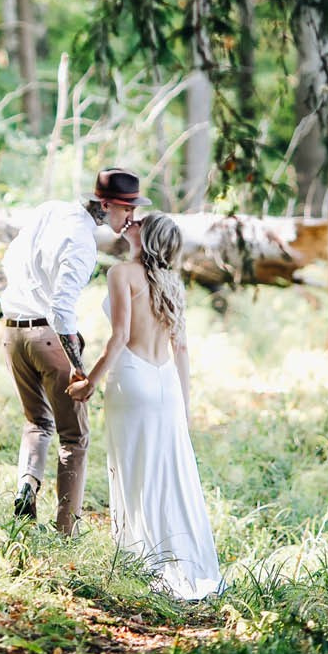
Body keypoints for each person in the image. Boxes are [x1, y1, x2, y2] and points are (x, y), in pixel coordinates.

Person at [68, 212, 222, 600]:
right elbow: (182, 347)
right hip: (167, 383)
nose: (130, 223)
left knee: (133, 468)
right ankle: (179, 561)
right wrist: (184, 407)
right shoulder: (173, 282)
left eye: (138, 222)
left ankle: (140, 559)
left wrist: (89, 383)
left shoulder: (122, 274)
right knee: (171, 472)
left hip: (132, 379)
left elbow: (119, 337)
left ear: (145, 235)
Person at [0, 168, 149, 535]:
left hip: (12, 332)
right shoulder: (83, 243)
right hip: (50, 339)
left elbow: (11, 256)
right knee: (74, 438)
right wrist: (78, 369)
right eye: (126, 209)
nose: (130, 217)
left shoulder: (51, 209)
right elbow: (61, 310)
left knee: (37, 422)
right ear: (105, 204)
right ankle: (65, 532)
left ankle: (27, 483)